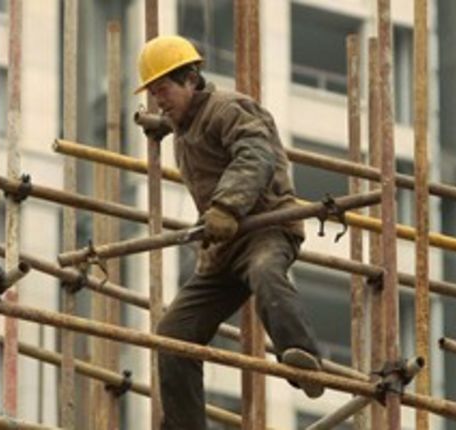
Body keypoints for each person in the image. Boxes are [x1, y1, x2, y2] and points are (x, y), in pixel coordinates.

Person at [136, 35, 323, 430]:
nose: (160, 101)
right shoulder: (185, 123)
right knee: (172, 336)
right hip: (222, 248)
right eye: (153, 94)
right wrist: (159, 126)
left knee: (266, 272)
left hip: (265, 226)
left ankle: (300, 355)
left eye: (163, 90)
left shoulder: (229, 108)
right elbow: (191, 128)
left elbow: (255, 151)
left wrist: (226, 206)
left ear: (190, 79)